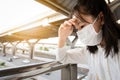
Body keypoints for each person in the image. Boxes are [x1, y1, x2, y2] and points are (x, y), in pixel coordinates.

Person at [57, 0, 120, 80]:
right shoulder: (89, 52)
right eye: (77, 29)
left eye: (82, 26)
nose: (80, 32)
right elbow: (62, 58)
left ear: (101, 18)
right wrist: (62, 38)